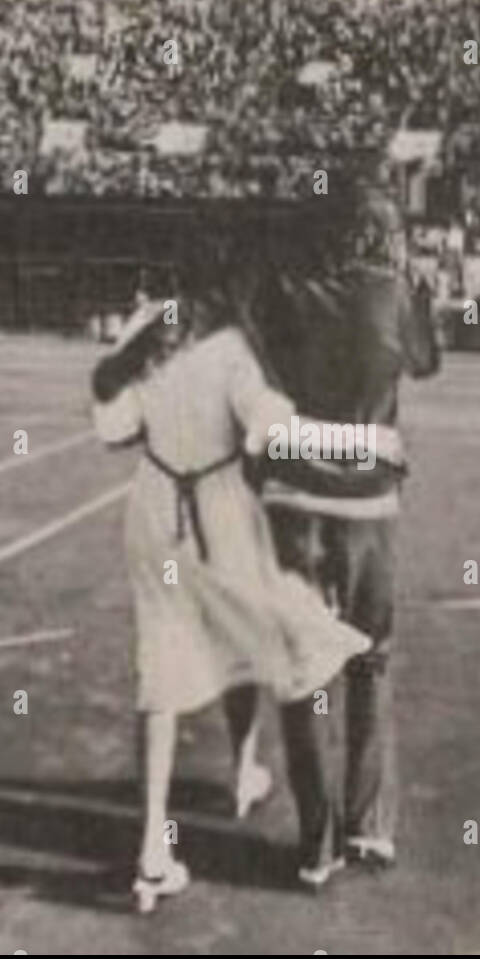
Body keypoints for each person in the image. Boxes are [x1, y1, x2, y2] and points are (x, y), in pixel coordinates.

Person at [91, 266, 372, 911]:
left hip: (157, 512)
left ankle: (153, 849)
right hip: (220, 512)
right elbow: (269, 427)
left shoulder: (142, 331)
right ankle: (255, 781)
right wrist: (354, 443)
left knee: (159, 675)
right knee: (272, 637)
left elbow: (110, 426)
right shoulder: (230, 345)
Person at [257, 186, 440, 872]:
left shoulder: (284, 291)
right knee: (371, 657)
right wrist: (415, 290)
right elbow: (424, 362)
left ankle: (317, 843)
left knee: (302, 669)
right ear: (377, 237)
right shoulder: (391, 292)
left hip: (293, 496)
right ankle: (368, 825)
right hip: (366, 499)